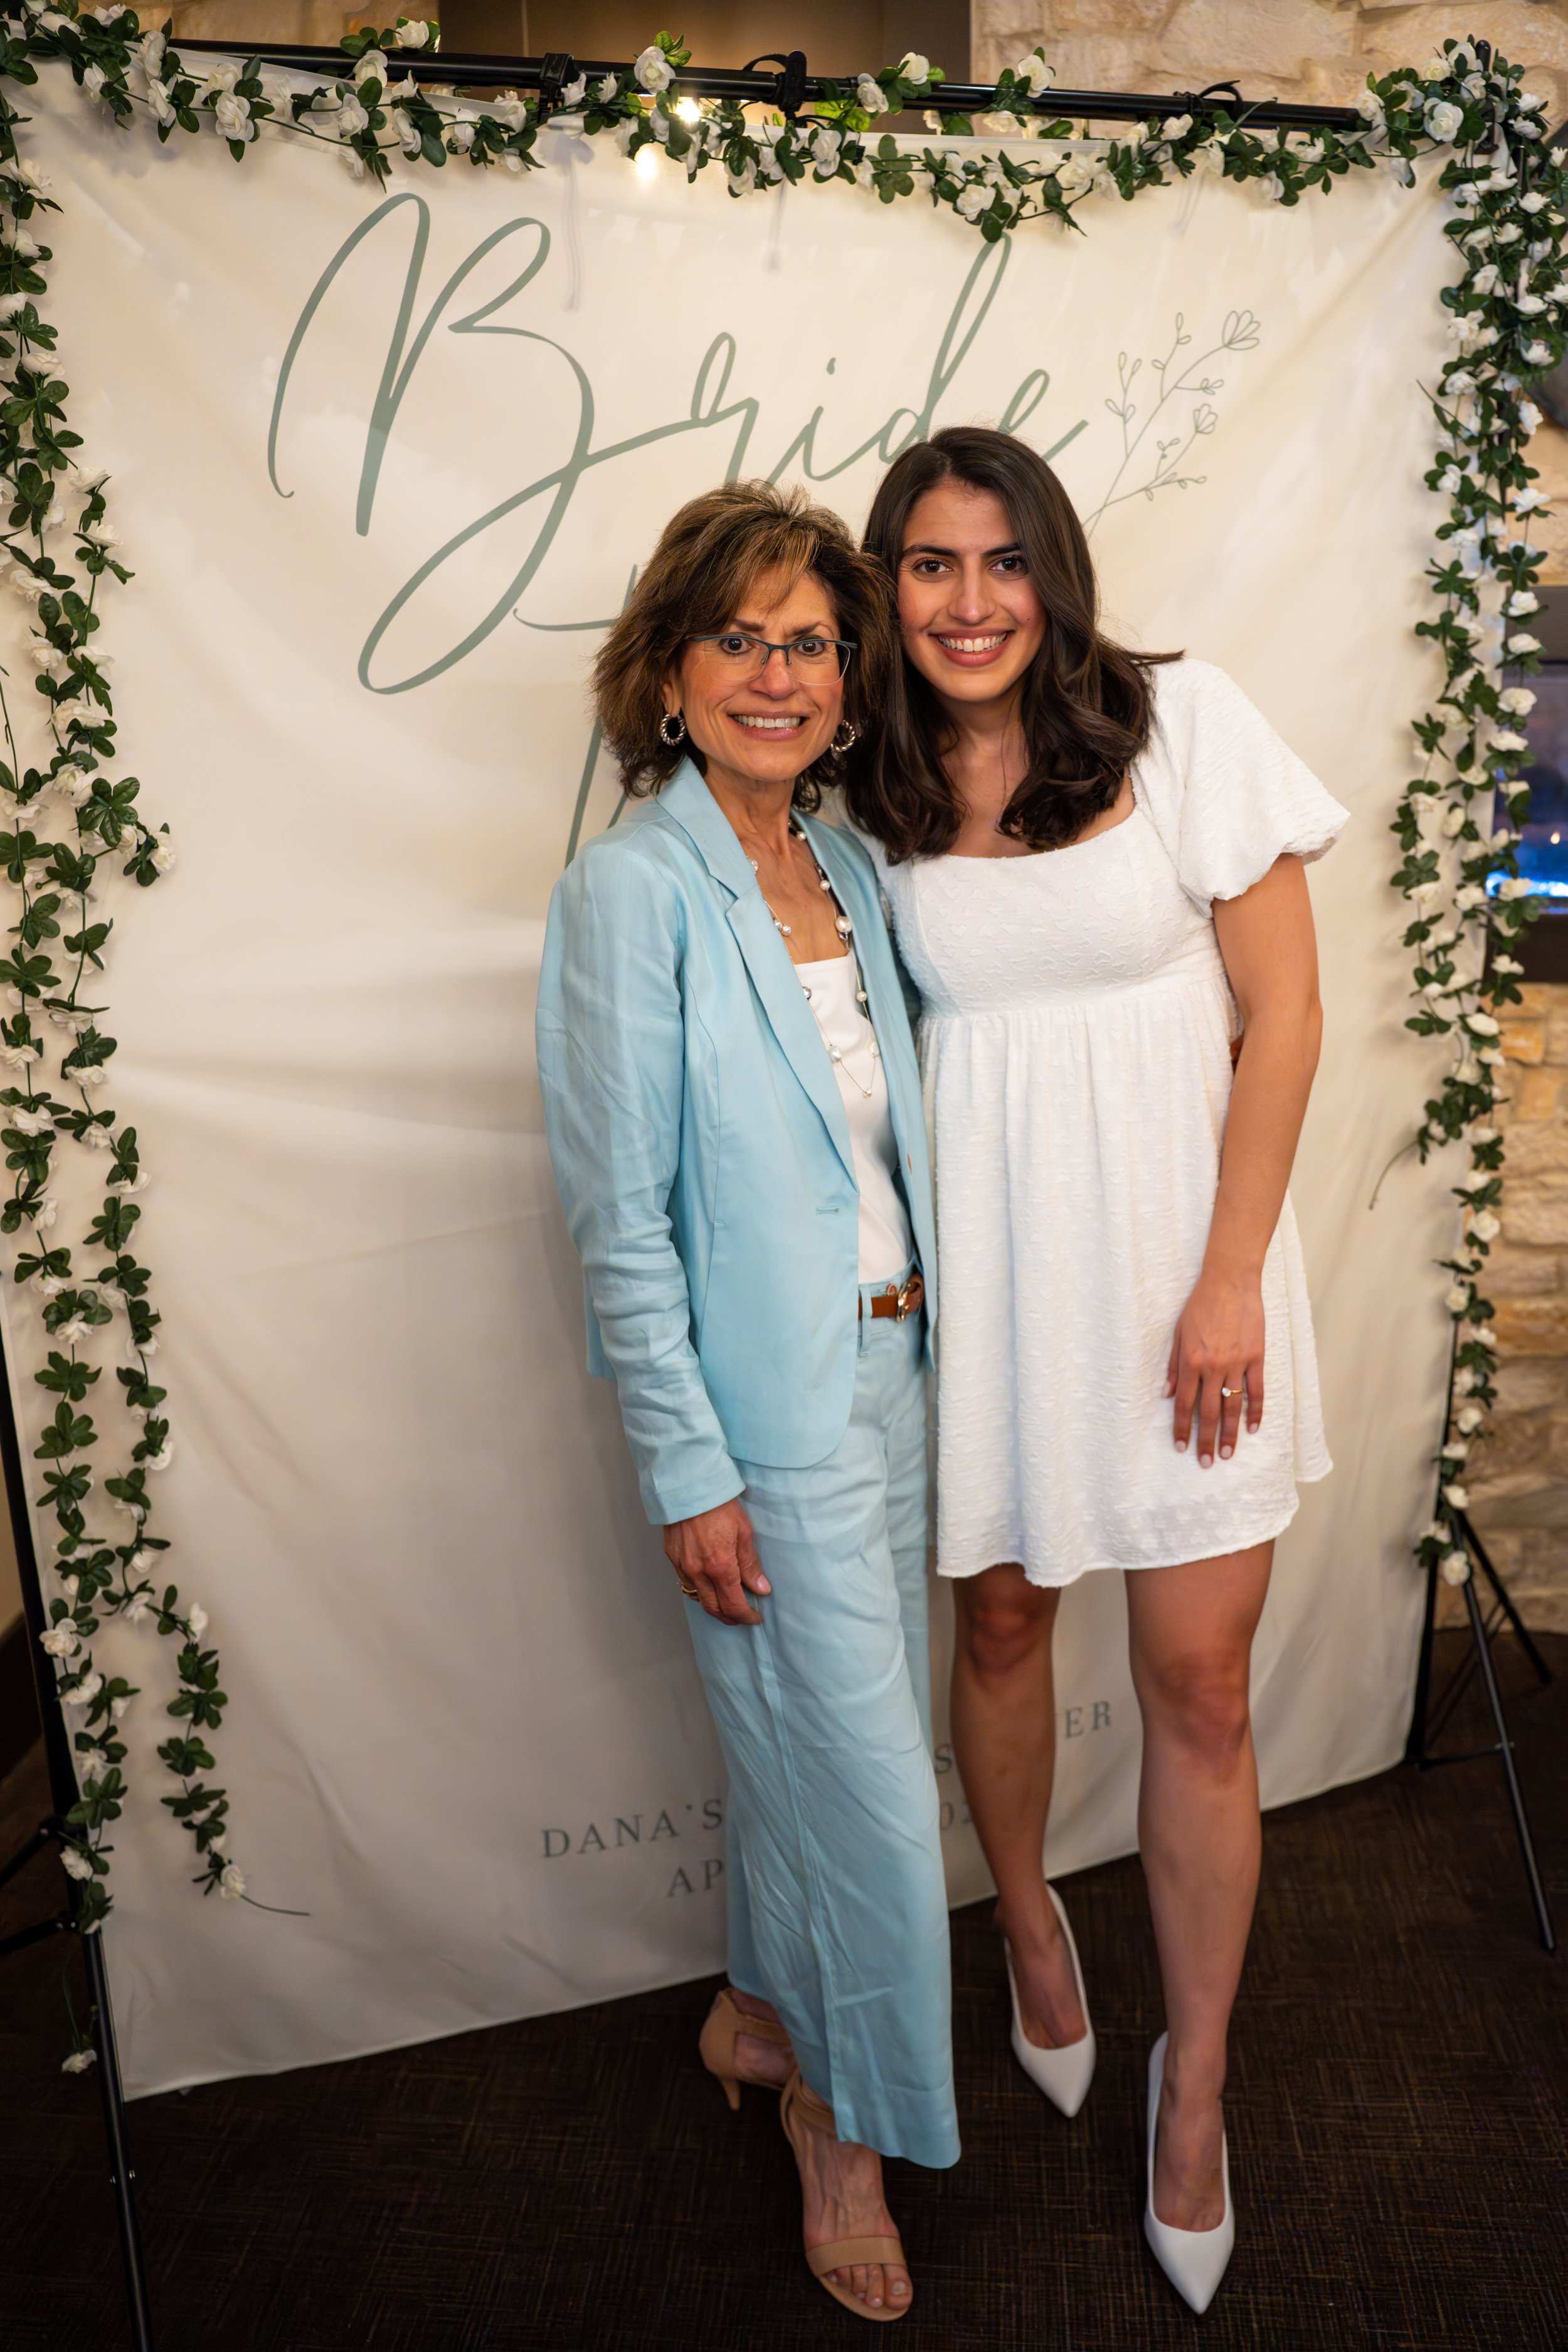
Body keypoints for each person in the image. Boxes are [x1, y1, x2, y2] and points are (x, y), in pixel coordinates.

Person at [849, 426, 1347, 2315]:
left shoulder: (1177, 722)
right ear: (885, 587)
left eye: (1002, 563)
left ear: (1051, 573)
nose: (968, 604)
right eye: (925, 566)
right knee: (992, 1630)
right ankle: (1032, 1927)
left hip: (1182, 1290)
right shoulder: (866, 779)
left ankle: (1193, 2085)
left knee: (1196, 1690)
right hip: (996, 1291)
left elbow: (1285, 1015)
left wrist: (1227, 1281)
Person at [536, 480, 955, 2325]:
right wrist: (684, 1467)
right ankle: (841, 2133)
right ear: (672, 668)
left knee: (820, 1754)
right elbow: (618, 1220)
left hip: (908, 1378)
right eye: (741, 638)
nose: (777, 673)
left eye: (808, 640)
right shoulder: (631, 892)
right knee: (868, 1796)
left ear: (845, 676)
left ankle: (761, 2010)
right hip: (761, 1425)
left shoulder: (854, 869)